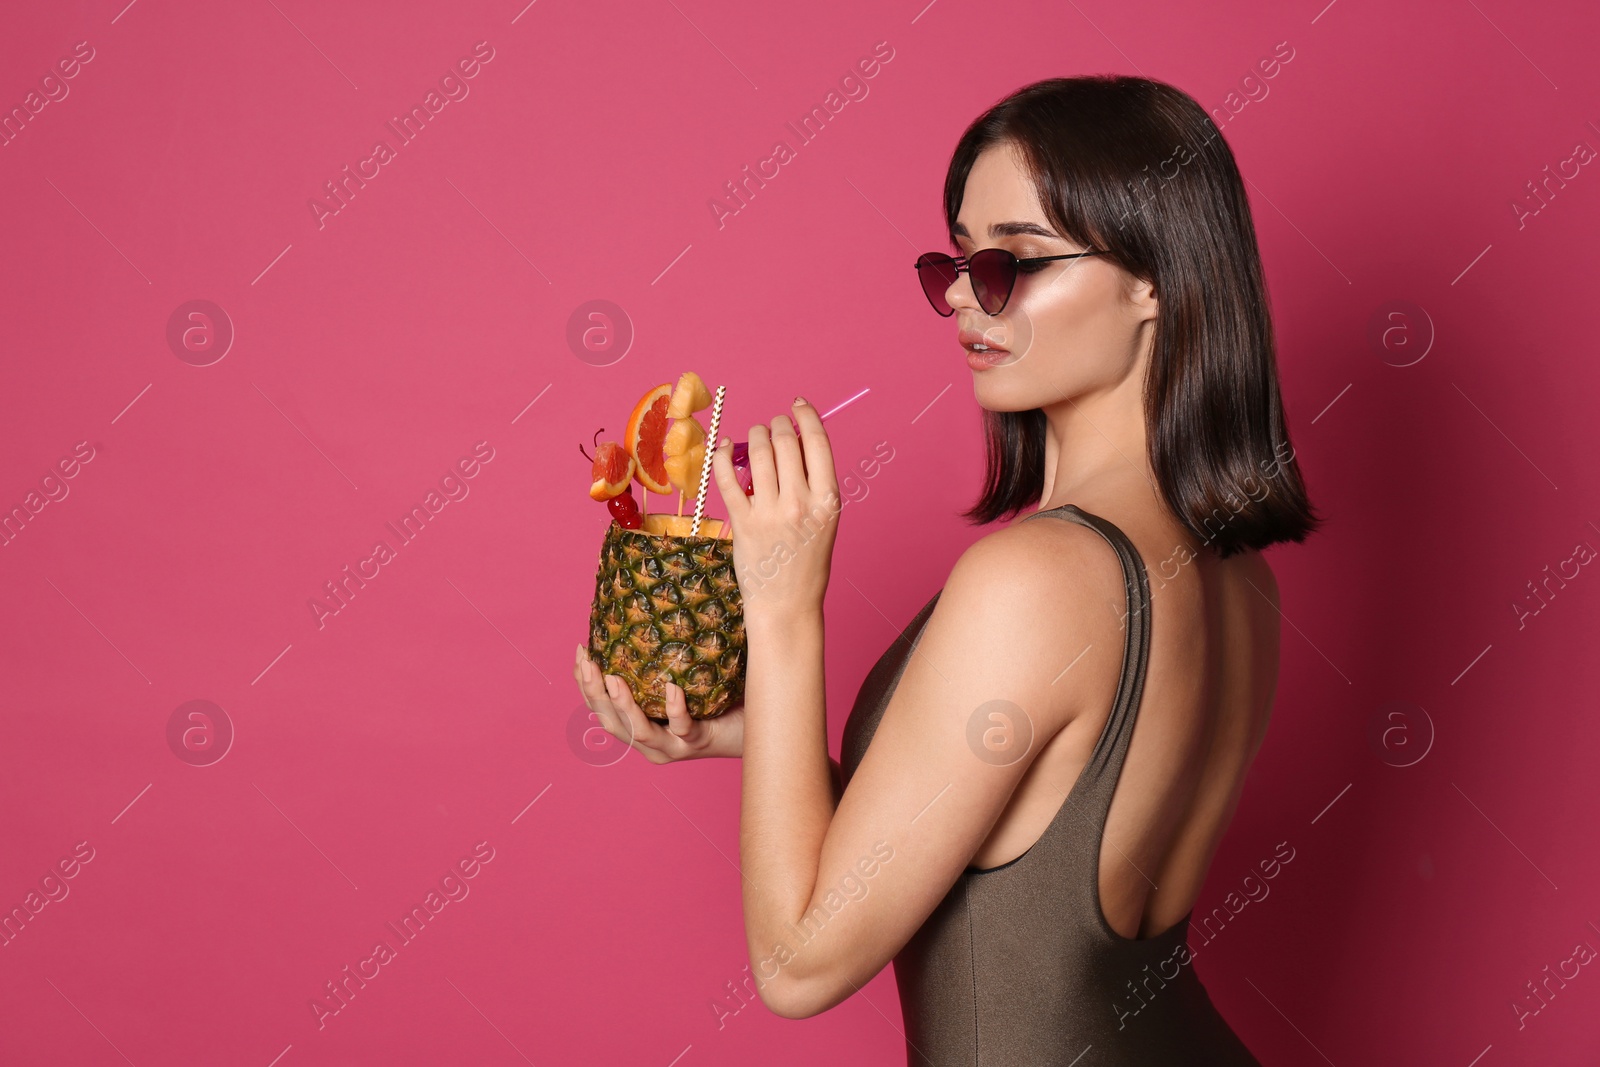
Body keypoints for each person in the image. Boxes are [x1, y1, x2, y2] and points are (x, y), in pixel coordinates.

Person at [573, 74, 1318, 1065]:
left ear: (1155, 280)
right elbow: (1007, 868)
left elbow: (799, 964)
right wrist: (771, 742)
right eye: (957, 259)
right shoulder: (1234, 575)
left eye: (1016, 259)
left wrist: (788, 611)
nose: (968, 292)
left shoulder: (1038, 577)